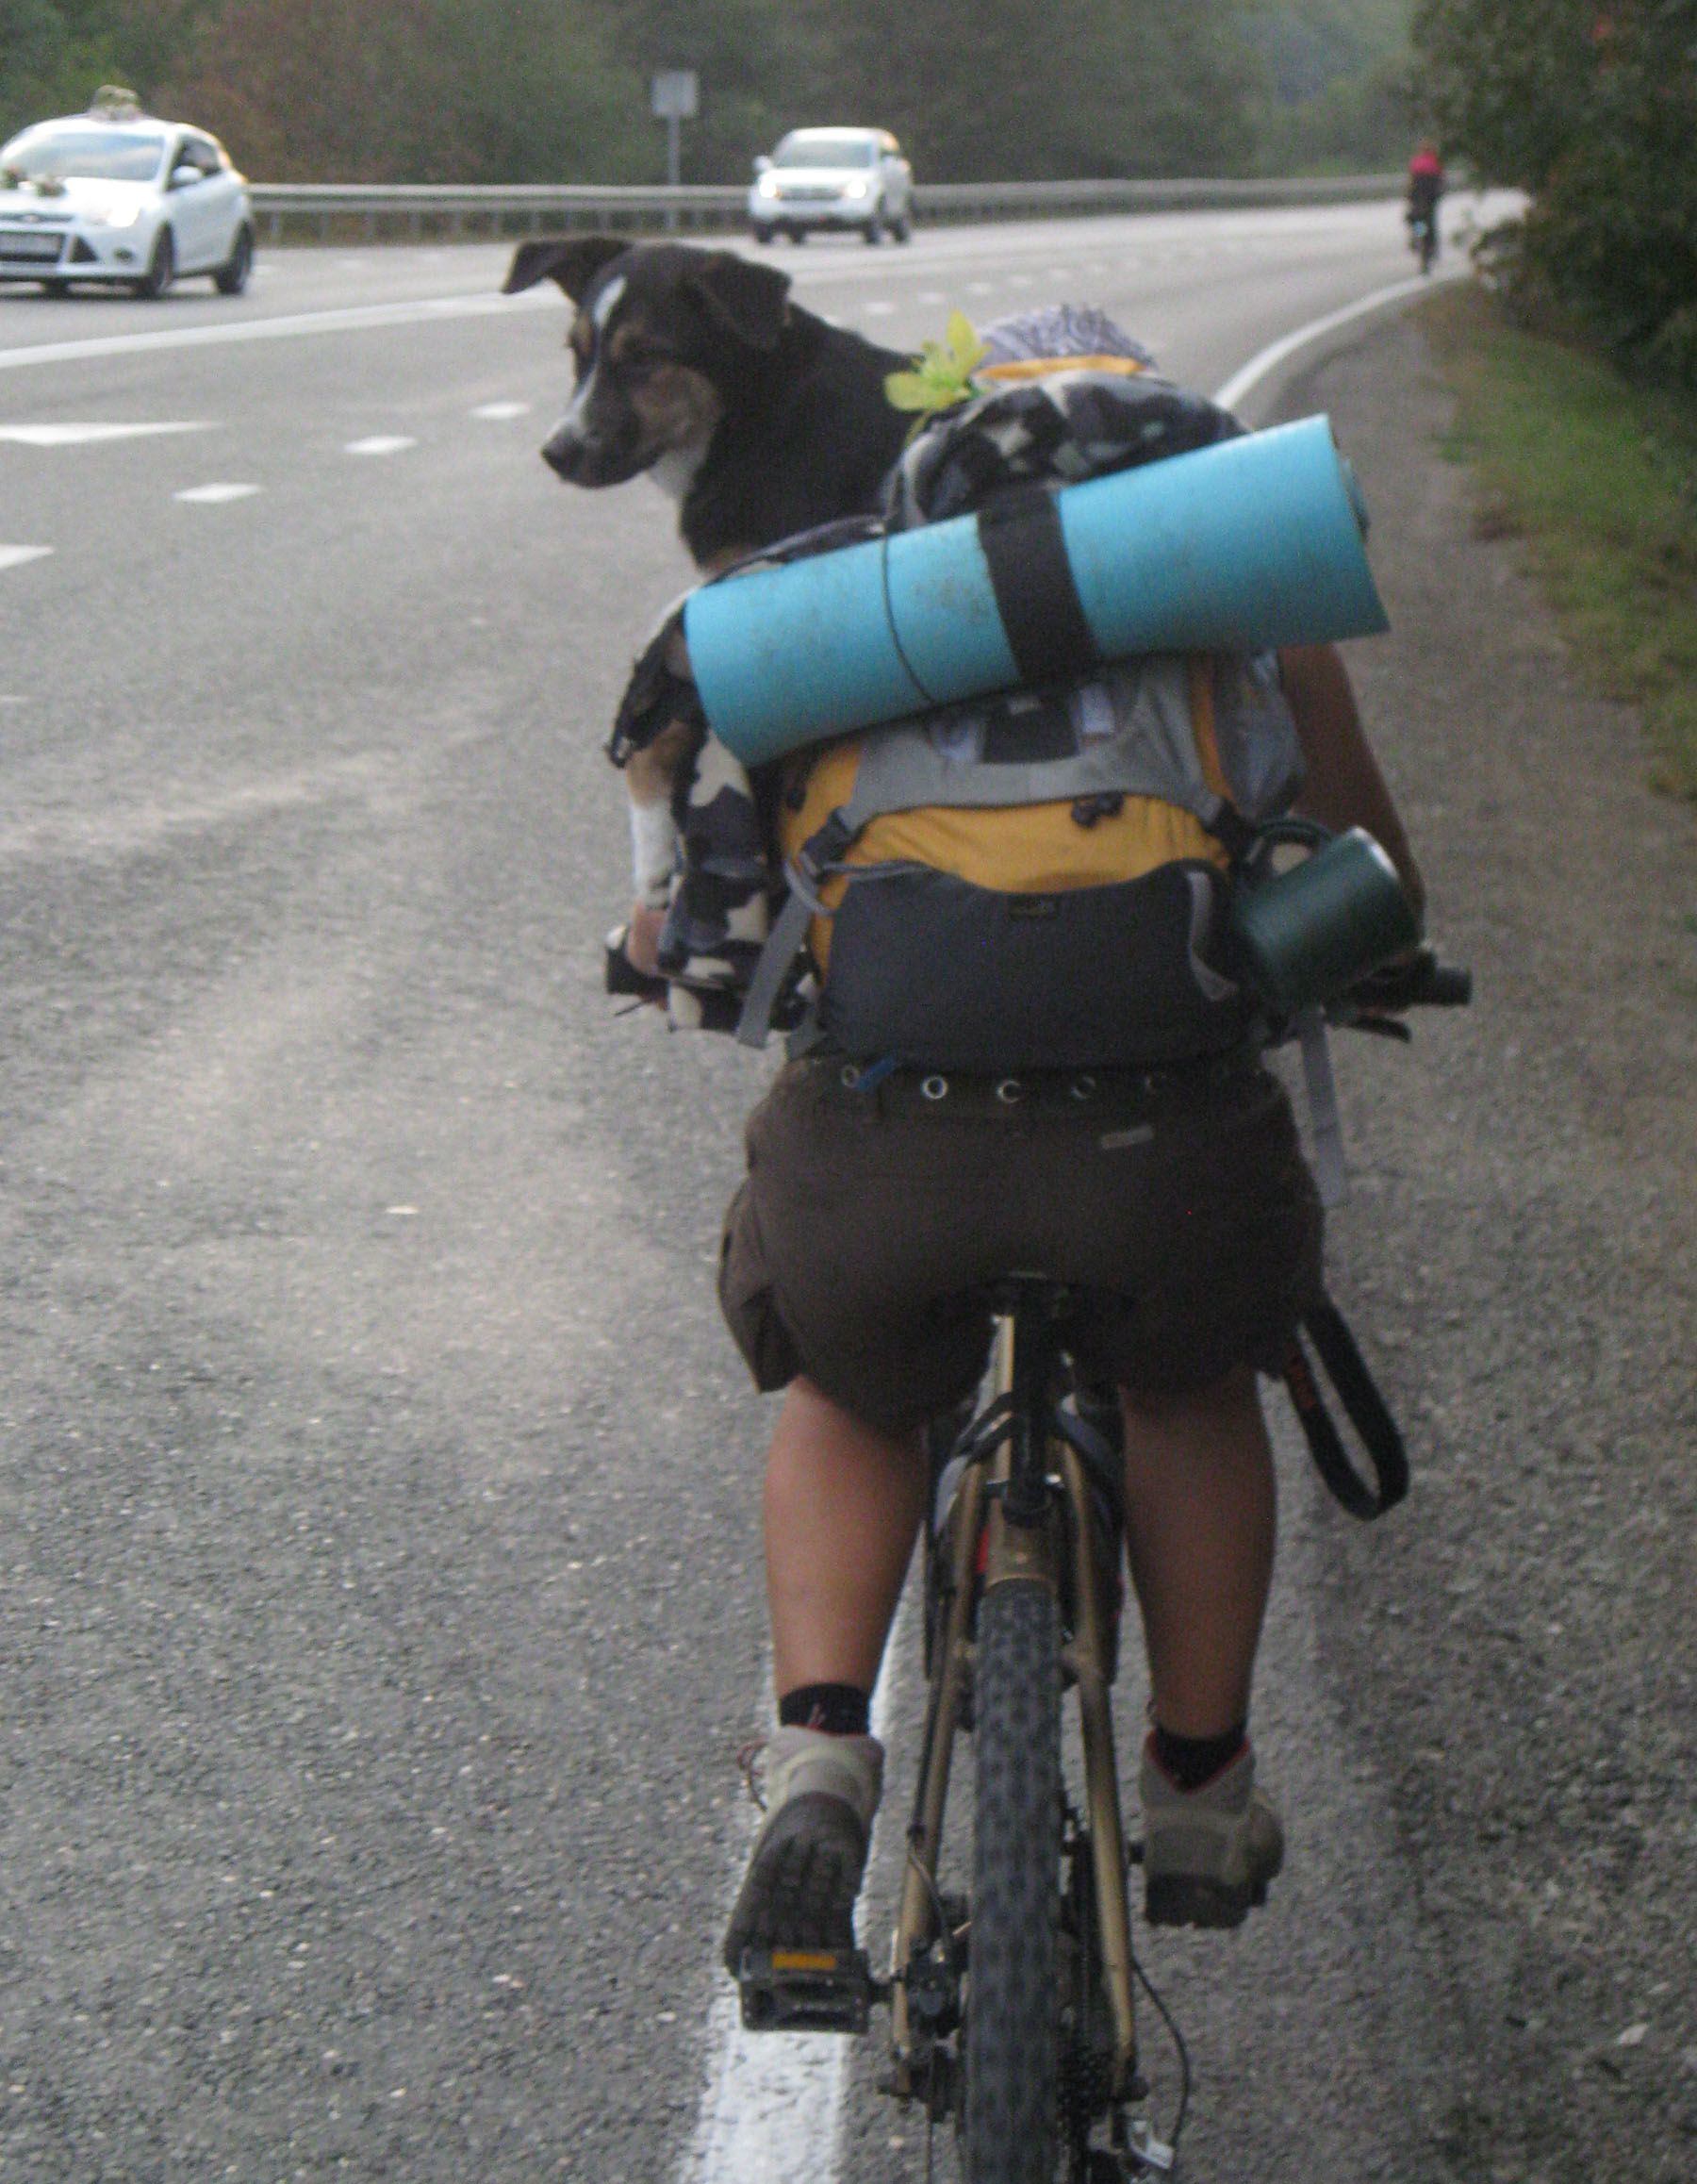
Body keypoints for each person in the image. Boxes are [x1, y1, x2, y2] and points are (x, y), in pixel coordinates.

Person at [623, 307, 1428, 1970]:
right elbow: (1373, 887)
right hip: (1164, 1166)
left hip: (887, 1165)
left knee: (851, 1388)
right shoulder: (1238, 624)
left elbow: (706, 914)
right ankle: (1198, 1789)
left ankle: (820, 1754)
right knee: (1191, 1388)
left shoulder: (839, 626)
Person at [1407, 141, 1445, 262]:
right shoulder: (1435, 162)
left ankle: (1417, 237)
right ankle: (1431, 247)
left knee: (1418, 218)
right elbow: (1441, 181)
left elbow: (1411, 181)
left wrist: (1409, 195)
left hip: (1418, 196)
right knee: (1430, 221)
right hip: (1430, 197)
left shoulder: (1416, 161)